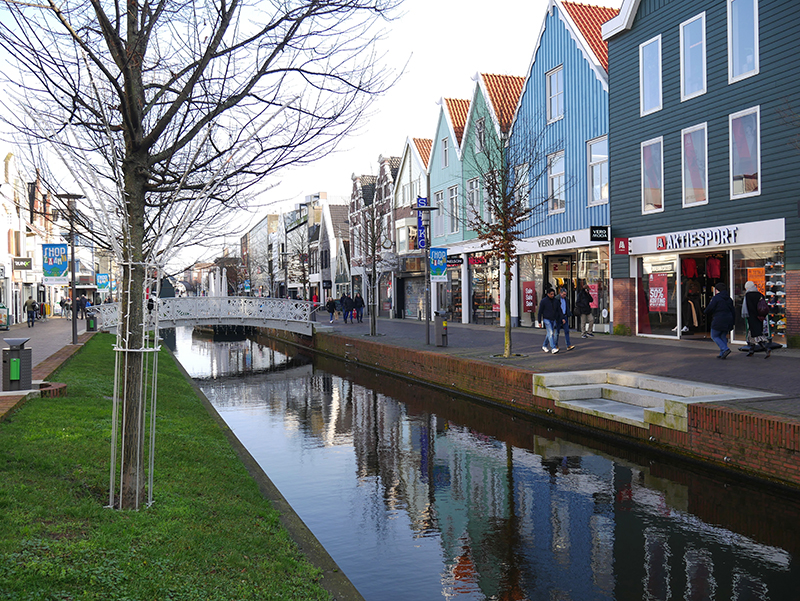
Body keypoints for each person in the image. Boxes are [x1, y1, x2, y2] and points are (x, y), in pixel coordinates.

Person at [704, 282, 736, 359]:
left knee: (714, 335)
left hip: (718, 319)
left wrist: (705, 312)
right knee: (722, 335)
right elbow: (733, 310)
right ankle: (722, 353)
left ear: (717, 290)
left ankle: (725, 349)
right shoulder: (729, 299)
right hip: (728, 319)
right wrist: (733, 322)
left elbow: (710, 308)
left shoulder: (716, 298)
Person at [743, 280, 771, 358]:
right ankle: (751, 350)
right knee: (752, 333)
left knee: (755, 334)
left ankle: (766, 348)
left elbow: (749, 307)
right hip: (760, 317)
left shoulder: (748, 295)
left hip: (752, 317)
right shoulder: (759, 294)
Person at [537, 287, 562, 354]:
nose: (553, 295)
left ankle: (544, 345)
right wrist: (539, 321)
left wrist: (561, 318)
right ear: (548, 294)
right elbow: (540, 311)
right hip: (546, 319)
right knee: (551, 333)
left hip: (553, 319)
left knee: (549, 333)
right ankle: (553, 348)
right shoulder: (544, 301)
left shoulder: (556, 301)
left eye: (553, 294)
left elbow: (559, 310)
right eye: (551, 294)